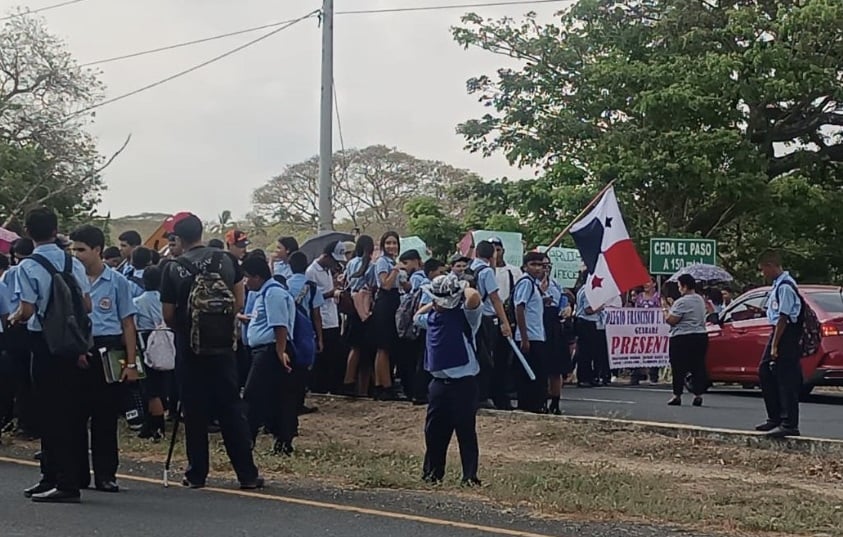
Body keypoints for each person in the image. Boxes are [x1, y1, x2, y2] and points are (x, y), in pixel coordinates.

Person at [159, 214, 262, 489]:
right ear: (202, 232)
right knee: (231, 408)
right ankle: (247, 474)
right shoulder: (227, 260)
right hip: (224, 347)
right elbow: (238, 301)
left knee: (194, 411)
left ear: (178, 239)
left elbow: (168, 314)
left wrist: (186, 328)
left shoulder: (172, 268)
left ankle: (196, 474)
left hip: (189, 348)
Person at [12, 207, 92, 503]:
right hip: (71, 343)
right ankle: (55, 477)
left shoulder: (28, 266)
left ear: (28, 232)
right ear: (56, 229)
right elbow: (87, 305)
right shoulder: (73, 262)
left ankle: (63, 481)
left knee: (49, 412)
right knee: (68, 410)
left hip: (43, 342)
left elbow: (28, 310)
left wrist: (14, 318)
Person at [69, 225, 140, 493]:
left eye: (82, 250)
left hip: (107, 348)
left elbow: (128, 324)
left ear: (97, 250)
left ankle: (106, 474)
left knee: (105, 416)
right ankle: (77, 474)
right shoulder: (71, 279)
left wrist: (131, 364)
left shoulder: (118, 282)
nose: (76, 255)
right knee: (76, 416)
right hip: (78, 348)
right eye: (73, 249)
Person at [414, 274, 483, 486]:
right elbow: (416, 316)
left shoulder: (466, 317)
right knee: (434, 432)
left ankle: (469, 476)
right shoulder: (433, 318)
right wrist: (434, 301)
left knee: (465, 431)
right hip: (438, 384)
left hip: (463, 383)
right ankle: (432, 474)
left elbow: (474, 298)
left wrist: (462, 287)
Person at [241, 256, 300, 455]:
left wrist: (280, 352)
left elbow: (280, 325)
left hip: (270, 350)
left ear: (257, 277)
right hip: (264, 349)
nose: (245, 282)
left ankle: (247, 439)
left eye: (247, 277)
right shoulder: (263, 293)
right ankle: (280, 439)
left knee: (253, 394)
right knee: (275, 397)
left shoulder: (273, 293)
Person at [755, 250, 803, 438]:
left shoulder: (785, 286)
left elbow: (784, 317)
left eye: (763, 269)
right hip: (778, 331)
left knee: (785, 378)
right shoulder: (777, 285)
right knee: (765, 372)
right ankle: (774, 417)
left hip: (785, 333)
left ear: (771, 266)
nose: (762, 274)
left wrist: (775, 345)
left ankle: (789, 423)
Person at [469, 241, 513, 410]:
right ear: (492, 255)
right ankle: (482, 396)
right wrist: (505, 322)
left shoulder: (470, 268)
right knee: (487, 359)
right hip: (486, 319)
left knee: (476, 355)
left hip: (471, 315)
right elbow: (495, 298)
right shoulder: (486, 271)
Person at [306, 241, 346, 394]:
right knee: (322, 356)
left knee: (333, 355)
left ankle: (331, 386)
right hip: (321, 318)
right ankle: (318, 387)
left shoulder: (328, 270)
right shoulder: (311, 271)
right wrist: (330, 293)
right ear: (327, 256)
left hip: (332, 316)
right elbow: (312, 297)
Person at [663, 274, 708, 407]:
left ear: (685, 286)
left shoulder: (682, 301)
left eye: (679, 286)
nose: (679, 289)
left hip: (682, 337)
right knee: (698, 366)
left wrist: (665, 309)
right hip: (700, 336)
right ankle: (698, 395)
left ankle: (677, 395)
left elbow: (672, 320)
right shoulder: (700, 299)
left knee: (678, 367)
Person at [370, 232, 406, 401]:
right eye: (389, 243)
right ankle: (384, 385)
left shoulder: (393, 262)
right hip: (385, 302)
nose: (392, 246)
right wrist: (395, 270)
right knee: (383, 346)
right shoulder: (383, 262)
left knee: (388, 346)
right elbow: (385, 284)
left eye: (394, 243)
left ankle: (383, 383)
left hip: (395, 301)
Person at [134, 266, 167, 441]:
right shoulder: (165, 300)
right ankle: (150, 423)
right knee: (161, 385)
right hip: (167, 344)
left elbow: (133, 325)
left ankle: (157, 427)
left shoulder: (138, 302)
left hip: (146, 343)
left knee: (150, 388)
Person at [341, 235, 376, 396]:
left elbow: (347, 283)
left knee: (354, 348)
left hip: (353, 309)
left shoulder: (351, 264)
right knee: (367, 352)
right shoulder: (371, 266)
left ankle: (348, 381)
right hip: (366, 309)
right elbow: (373, 286)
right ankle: (364, 388)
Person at [513, 252, 547, 413]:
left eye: (540, 265)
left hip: (537, 334)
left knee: (538, 373)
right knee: (530, 373)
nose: (537, 268)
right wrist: (524, 337)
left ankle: (536, 404)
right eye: (533, 264)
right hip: (529, 336)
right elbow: (519, 308)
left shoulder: (534, 285)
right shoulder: (525, 283)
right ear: (525, 266)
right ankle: (528, 405)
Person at [539, 253, 572, 414]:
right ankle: (542, 400)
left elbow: (563, 302)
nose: (545, 269)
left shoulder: (556, 285)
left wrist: (567, 309)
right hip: (539, 325)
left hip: (554, 327)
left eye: (547, 266)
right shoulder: (530, 284)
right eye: (542, 265)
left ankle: (556, 402)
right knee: (542, 367)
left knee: (556, 368)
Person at [632, 276, 661, 385]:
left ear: (654, 284)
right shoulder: (639, 297)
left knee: (655, 351)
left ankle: (653, 375)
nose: (646, 284)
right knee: (638, 350)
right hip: (640, 329)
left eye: (648, 282)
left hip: (655, 330)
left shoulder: (658, 297)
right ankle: (637, 374)